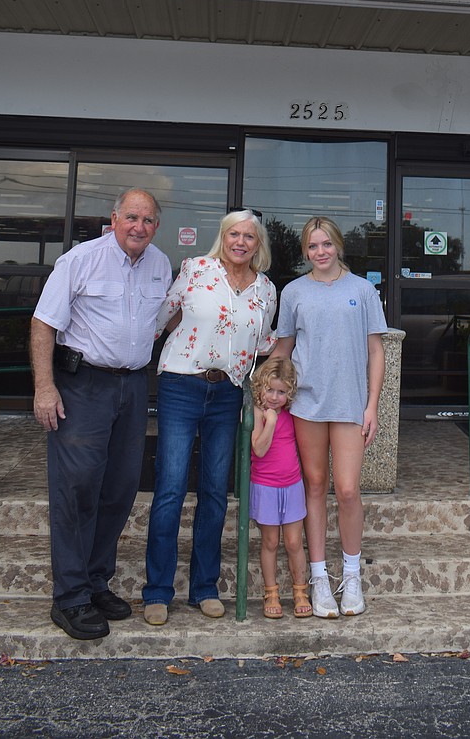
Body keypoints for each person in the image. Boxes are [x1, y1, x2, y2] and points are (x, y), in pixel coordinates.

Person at [30, 188, 171, 640]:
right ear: (115, 218)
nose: (139, 227)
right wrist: (44, 386)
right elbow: (43, 323)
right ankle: (69, 597)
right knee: (77, 490)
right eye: (132, 217)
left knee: (119, 489)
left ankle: (94, 582)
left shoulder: (161, 265)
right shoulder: (80, 260)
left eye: (148, 220)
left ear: (156, 226)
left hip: (131, 386)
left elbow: (157, 323)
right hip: (83, 386)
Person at [142, 209, 276, 627]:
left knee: (216, 492)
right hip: (182, 384)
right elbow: (162, 319)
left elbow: (264, 342)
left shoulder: (267, 290)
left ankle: (204, 587)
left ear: (258, 244)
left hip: (228, 392)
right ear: (223, 237)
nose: (240, 242)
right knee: (170, 487)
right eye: (233, 234)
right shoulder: (196, 269)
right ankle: (158, 591)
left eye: (249, 237)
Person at [272, 216, 386, 619]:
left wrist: (372, 404)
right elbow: (284, 346)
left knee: (349, 488)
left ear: (338, 245)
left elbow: (376, 351)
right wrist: (263, 390)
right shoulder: (294, 292)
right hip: (307, 403)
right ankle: (319, 579)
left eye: (326, 244)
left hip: (351, 404)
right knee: (315, 484)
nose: (320, 252)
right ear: (305, 252)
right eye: (312, 246)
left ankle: (352, 576)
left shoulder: (363, 290)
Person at [249, 357, 311, 619]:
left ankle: (300, 591)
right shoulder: (257, 412)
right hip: (266, 486)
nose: (274, 397)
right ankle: (271, 591)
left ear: (290, 393)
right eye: (270, 389)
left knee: (295, 542)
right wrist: (270, 422)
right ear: (260, 387)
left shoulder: (292, 412)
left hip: (292, 484)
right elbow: (259, 449)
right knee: (271, 541)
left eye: (282, 392)